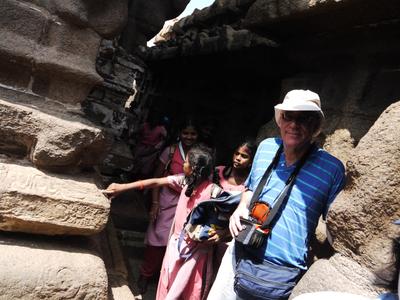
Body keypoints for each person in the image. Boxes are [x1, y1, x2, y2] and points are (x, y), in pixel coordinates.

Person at [207, 89, 346, 300]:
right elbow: (250, 187)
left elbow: (337, 225)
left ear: (316, 125)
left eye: (304, 118)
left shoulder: (332, 168)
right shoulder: (265, 148)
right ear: (280, 120)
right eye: (288, 116)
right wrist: (242, 206)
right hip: (240, 252)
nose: (294, 124)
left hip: (281, 272)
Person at [104, 144, 221, 300]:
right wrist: (123, 187)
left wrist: (222, 233)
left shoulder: (215, 192)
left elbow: (229, 220)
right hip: (175, 247)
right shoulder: (184, 181)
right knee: (167, 287)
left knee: (189, 291)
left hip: (196, 255)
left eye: (185, 162)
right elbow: (155, 182)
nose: (183, 164)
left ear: (192, 168)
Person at [139, 118, 199, 294]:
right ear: (179, 133)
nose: (189, 137)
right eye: (185, 133)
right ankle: (145, 274)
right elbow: (157, 178)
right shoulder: (170, 151)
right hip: (167, 199)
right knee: (156, 239)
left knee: (179, 242)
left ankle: (164, 276)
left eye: (193, 133)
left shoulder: (200, 154)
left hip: (188, 200)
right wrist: (155, 203)